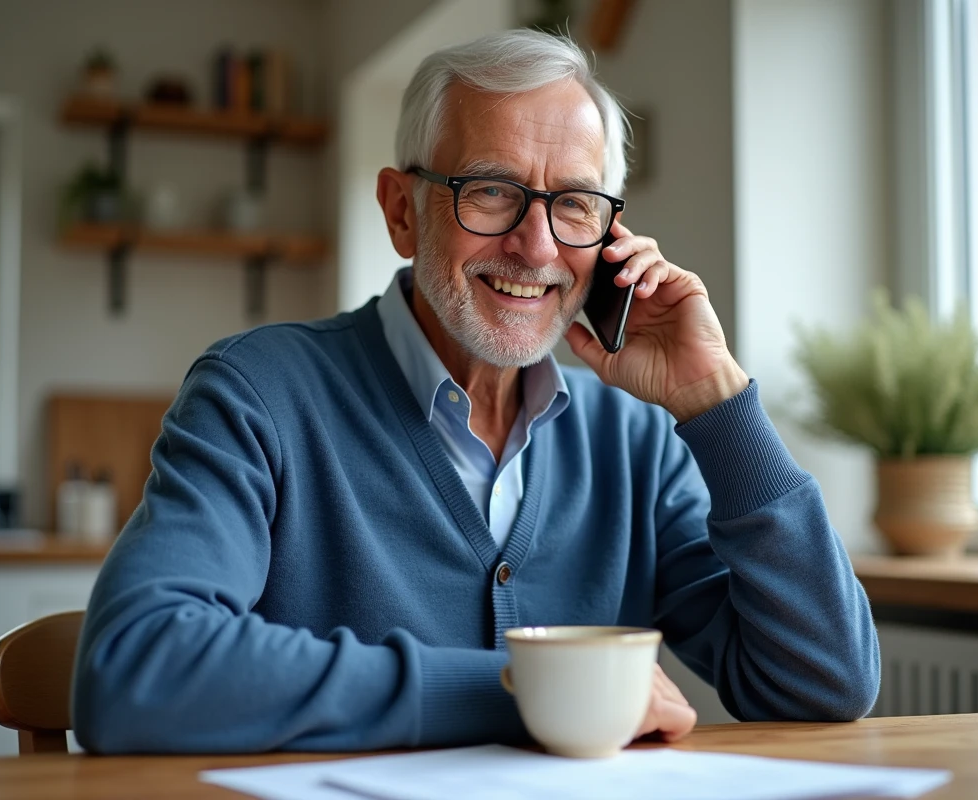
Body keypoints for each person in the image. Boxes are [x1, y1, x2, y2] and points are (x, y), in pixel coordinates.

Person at [72, 29, 879, 754]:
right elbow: (136, 666)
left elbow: (824, 682)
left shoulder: (635, 439)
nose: (536, 246)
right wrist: (518, 691)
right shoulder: (258, 395)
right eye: (491, 191)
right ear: (401, 210)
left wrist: (716, 400)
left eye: (575, 204)